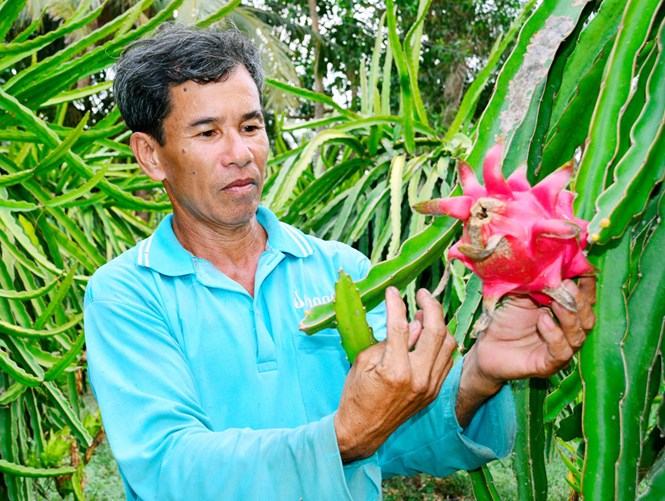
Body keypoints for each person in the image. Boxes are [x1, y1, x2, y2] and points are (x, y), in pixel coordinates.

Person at [84, 24, 596, 500]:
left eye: (251, 125)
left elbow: (394, 440)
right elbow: (168, 468)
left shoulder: (340, 272)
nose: (240, 153)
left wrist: (481, 374)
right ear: (151, 155)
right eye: (207, 133)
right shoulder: (127, 293)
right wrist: (342, 436)